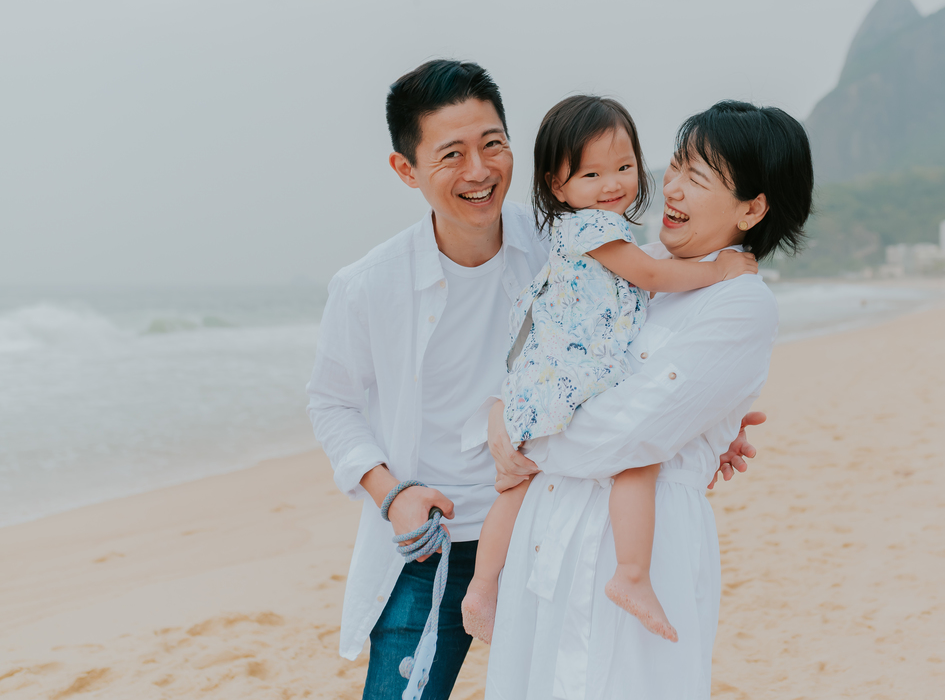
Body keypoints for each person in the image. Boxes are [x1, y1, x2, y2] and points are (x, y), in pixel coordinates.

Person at [306, 60, 763, 700]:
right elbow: (331, 403)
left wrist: (704, 425)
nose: (479, 170)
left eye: (493, 144)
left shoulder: (555, 240)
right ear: (406, 170)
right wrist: (390, 492)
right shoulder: (368, 285)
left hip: (542, 521)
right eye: (452, 154)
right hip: (428, 544)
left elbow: (638, 338)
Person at [480, 100, 814, 700]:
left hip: (637, 550)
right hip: (551, 527)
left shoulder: (738, 303)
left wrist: (523, 434)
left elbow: (626, 434)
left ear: (752, 208)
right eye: (677, 167)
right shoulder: (633, 264)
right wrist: (499, 409)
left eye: (699, 177)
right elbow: (546, 348)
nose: (673, 189)